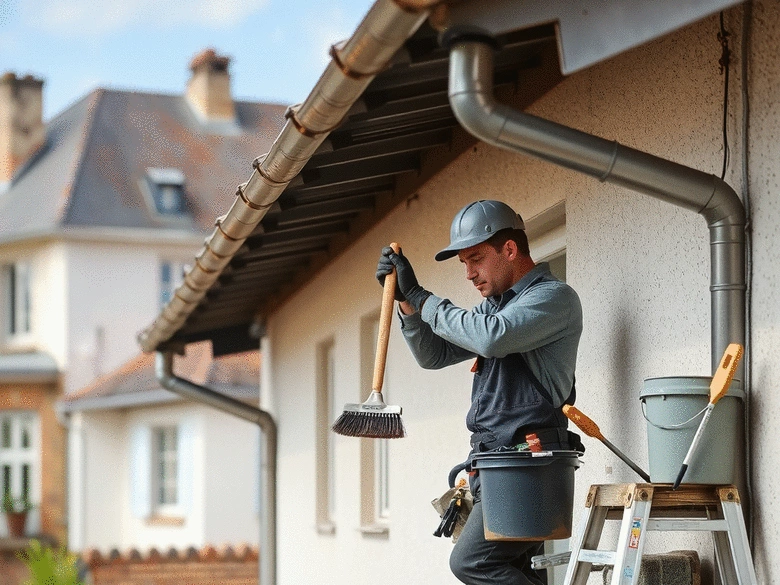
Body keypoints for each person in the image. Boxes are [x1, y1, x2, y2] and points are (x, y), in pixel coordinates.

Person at [376, 200, 584, 585]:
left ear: (509, 249)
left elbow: (491, 337)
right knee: (517, 570)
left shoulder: (553, 299)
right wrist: (407, 302)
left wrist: (423, 297)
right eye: (463, 264)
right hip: (497, 463)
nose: (469, 274)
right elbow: (433, 354)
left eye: (476, 259)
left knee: (473, 563)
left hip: (529, 463)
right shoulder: (497, 309)